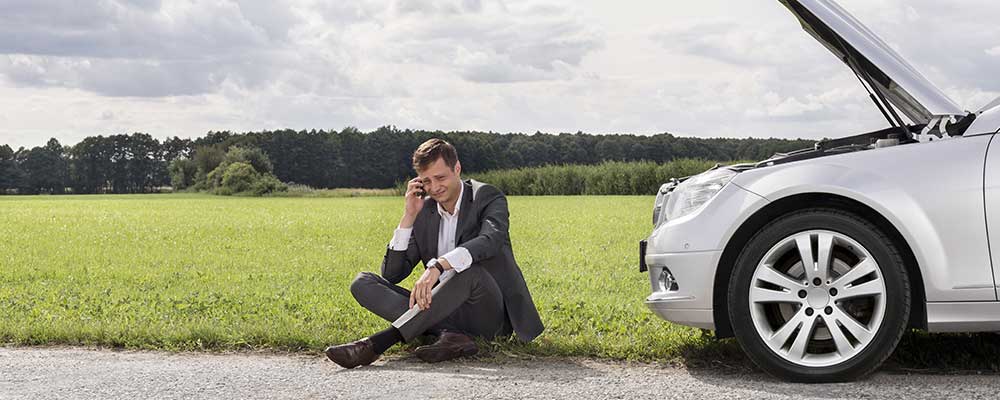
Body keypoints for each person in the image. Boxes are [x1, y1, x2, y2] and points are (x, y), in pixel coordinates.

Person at [324, 138, 544, 368]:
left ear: (457, 169)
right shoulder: (425, 211)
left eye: (441, 178)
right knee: (362, 283)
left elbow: (491, 240)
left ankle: (377, 344)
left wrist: (438, 266)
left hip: (487, 313)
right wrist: (408, 216)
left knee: (470, 273)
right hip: (441, 310)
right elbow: (392, 274)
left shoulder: (487, 196)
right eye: (427, 181)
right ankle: (452, 336)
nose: (435, 187)